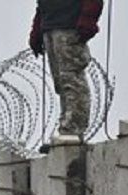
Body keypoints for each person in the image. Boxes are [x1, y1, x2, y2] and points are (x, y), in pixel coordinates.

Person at [29, 0, 104, 146]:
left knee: (71, 79)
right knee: (61, 83)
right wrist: (37, 30)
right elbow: (43, 6)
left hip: (69, 27)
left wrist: (87, 21)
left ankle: (73, 130)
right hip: (51, 27)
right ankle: (66, 128)